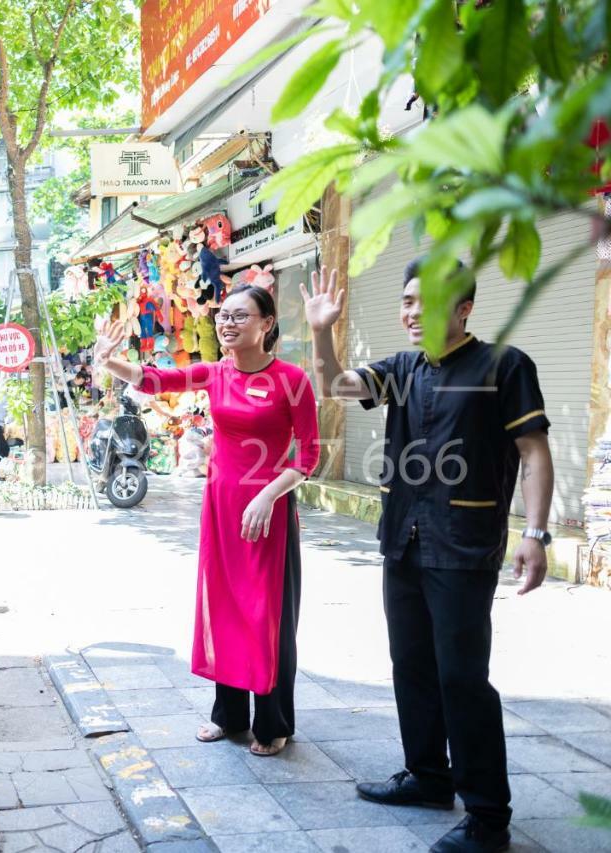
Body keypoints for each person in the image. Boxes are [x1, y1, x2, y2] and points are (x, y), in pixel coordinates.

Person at [303, 261, 554, 853]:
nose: (413, 311)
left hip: (463, 544)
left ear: (464, 309)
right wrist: (321, 331)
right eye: (408, 300)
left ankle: (489, 818)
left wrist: (537, 534)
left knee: (462, 678)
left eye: (429, 301)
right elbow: (336, 386)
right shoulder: (402, 368)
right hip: (404, 540)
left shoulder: (504, 366)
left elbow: (534, 450)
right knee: (411, 664)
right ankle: (427, 776)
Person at [94, 285, 320, 756]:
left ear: (267, 324)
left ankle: (273, 722)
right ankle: (229, 715)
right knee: (223, 606)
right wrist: (108, 359)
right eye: (223, 316)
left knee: (266, 616)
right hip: (220, 508)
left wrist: (268, 496)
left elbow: (309, 456)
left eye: (240, 316)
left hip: (268, 515)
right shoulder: (216, 373)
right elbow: (156, 379)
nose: (227, 324)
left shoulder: (292, 379)